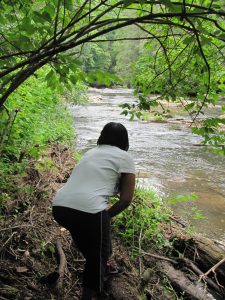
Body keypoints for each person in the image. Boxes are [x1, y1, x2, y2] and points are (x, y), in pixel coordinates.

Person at [52, 122, 135, 300]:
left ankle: (105, 266)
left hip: (59, 206)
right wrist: (108, 215)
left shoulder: (90, 152)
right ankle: (89, 295)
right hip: (88, 210)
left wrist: (104, 217)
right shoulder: (124, 158)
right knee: (97, 256)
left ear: (102, 136)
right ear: (124, 140)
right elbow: (126, 199)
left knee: (96, 244)